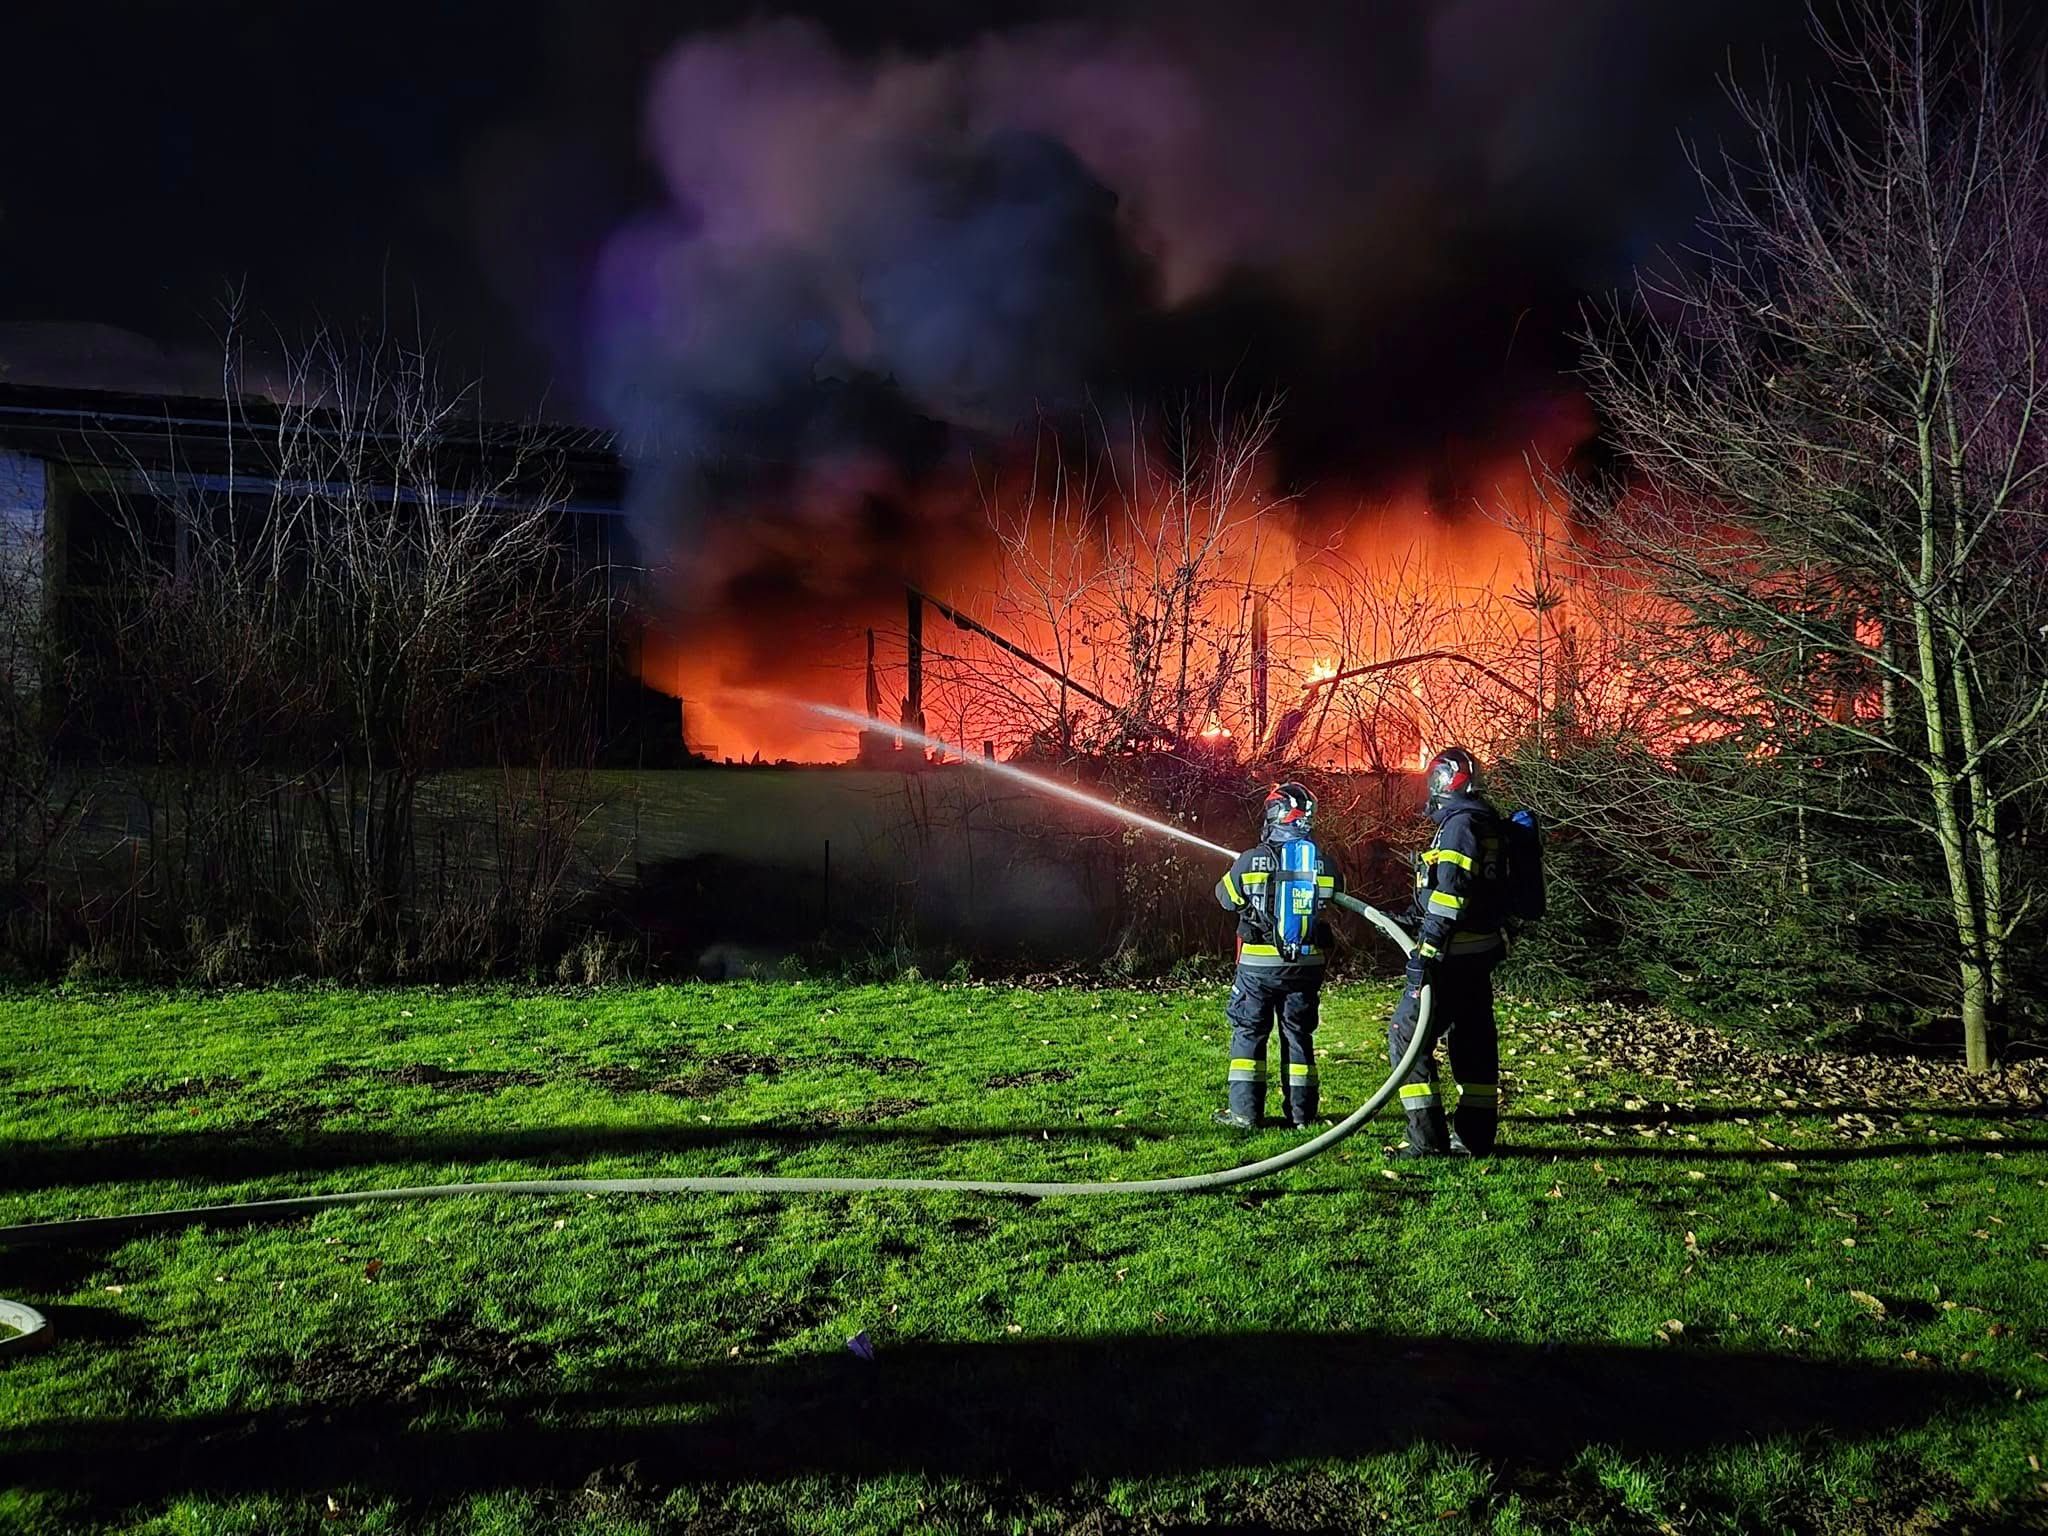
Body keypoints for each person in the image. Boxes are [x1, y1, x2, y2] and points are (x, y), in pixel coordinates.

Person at [1390, 745, 1506, 1158]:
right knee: (1473, 1040)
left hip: (1450, 956)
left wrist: (1426, 950)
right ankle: (1475, 1138)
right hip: (1477, 954)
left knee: (1407, 1035)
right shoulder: (1484, 820)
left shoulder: (1459, 825)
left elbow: (1450, 897)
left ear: (1442, 780)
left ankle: (1426, 1140)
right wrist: (1403, 918)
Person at [1213, 782, 1343, 1130]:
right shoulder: (1321, 862)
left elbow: (1225, 898)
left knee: (1250, 1034)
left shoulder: (1250, 860)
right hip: (1305, 966)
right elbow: (1336, 893)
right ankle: (1302, 1116)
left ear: (1273, 815)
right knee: (1298, 1036)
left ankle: (1245, 1114)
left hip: (1257, 968)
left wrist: (1246, 875)